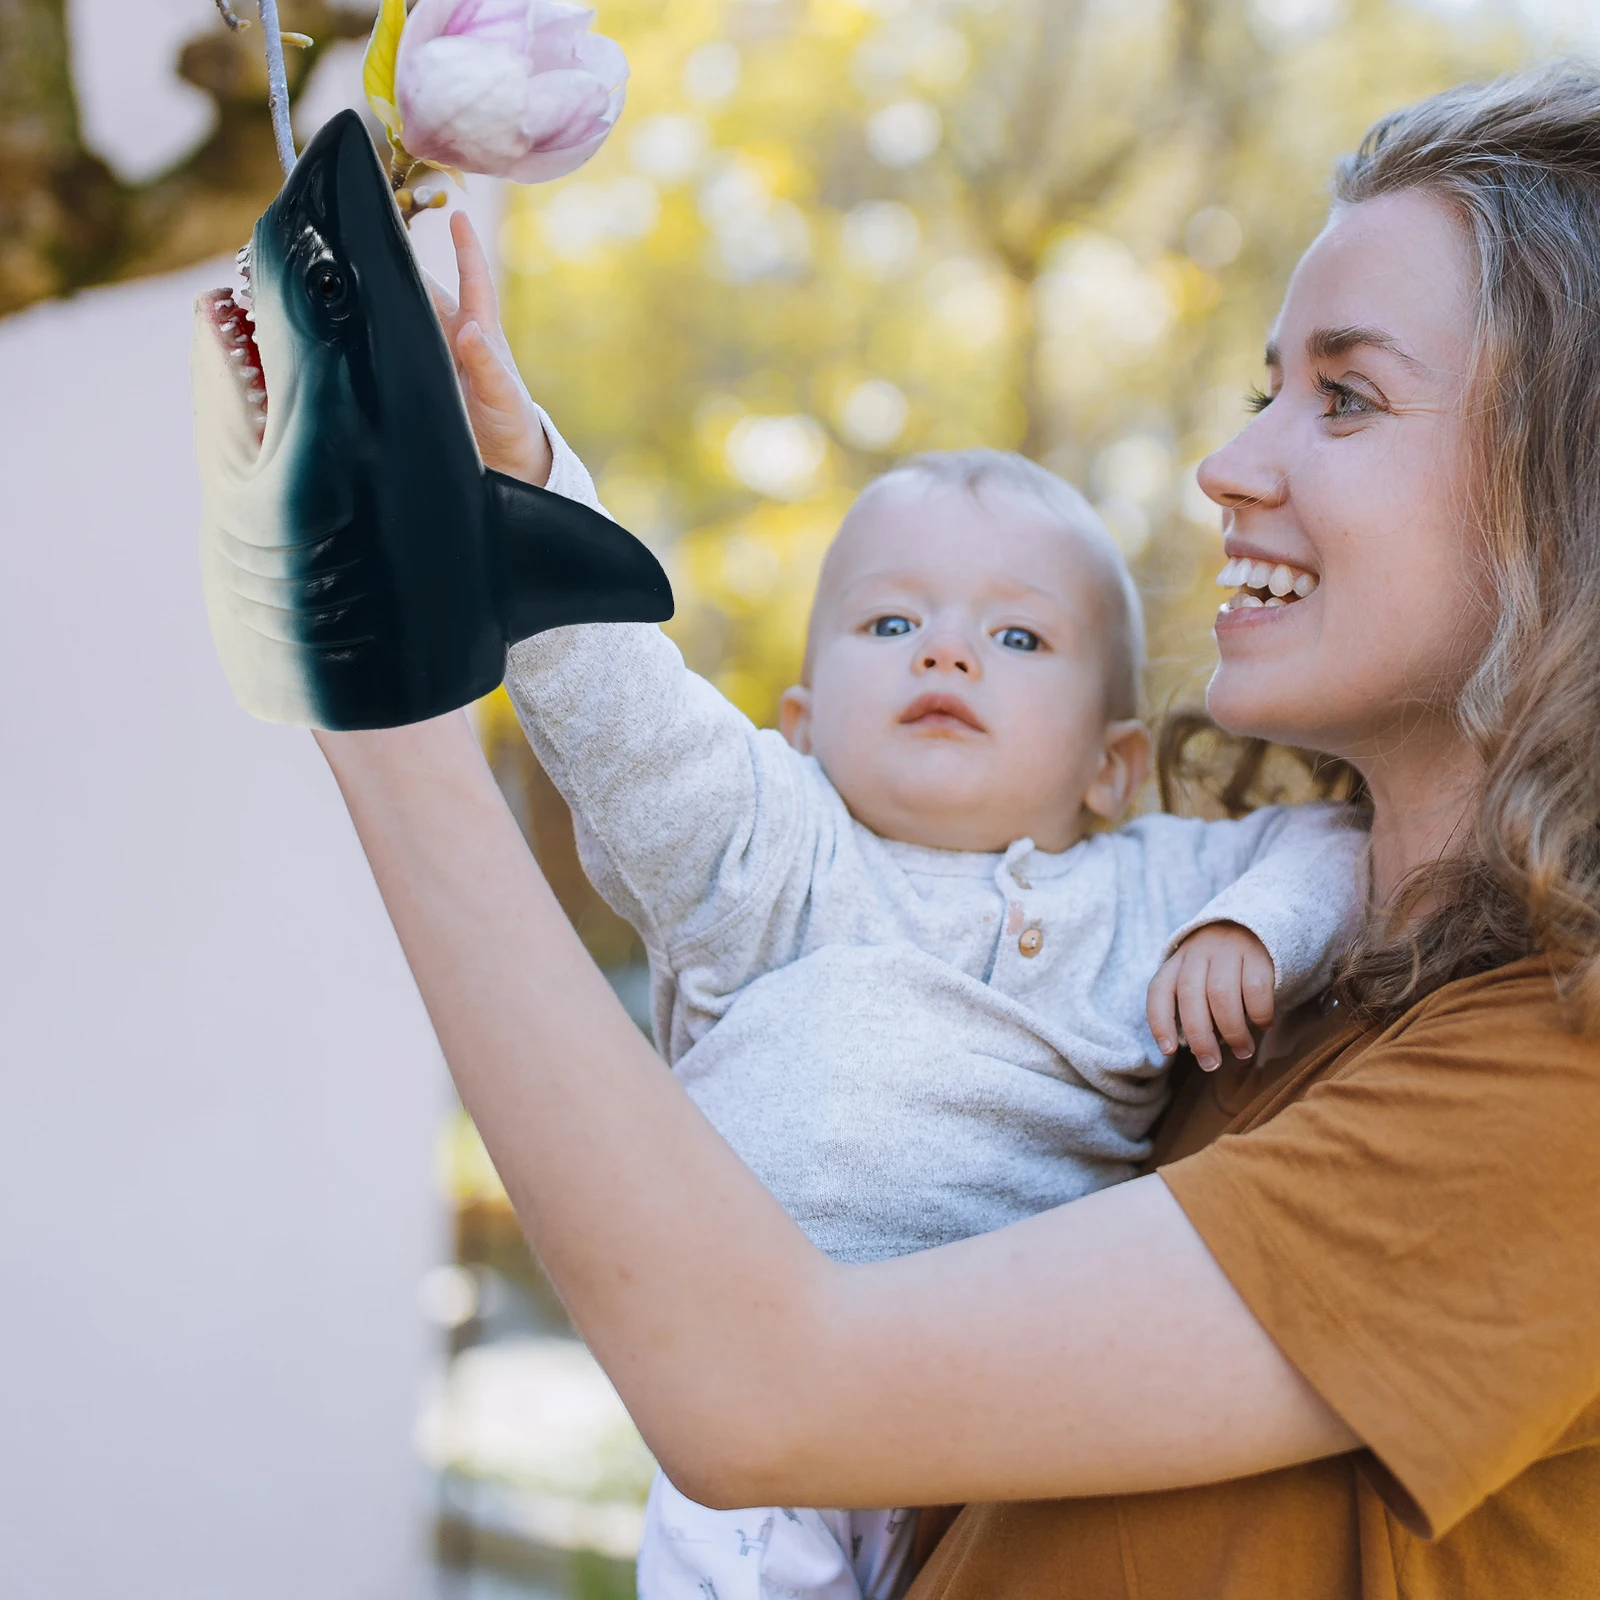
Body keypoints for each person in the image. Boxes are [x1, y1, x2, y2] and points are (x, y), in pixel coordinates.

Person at [314, 65, 1600, 1598]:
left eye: (1348, 396)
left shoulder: (1560, 1094)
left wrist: (376, 692)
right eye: (1265, 392)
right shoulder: (1249, 1009)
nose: (1231, 466)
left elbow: (764, 1395)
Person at [456, 352, 1361, 1591]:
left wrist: (1253, 926)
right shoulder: (767, 852)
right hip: (757, 1443)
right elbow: (622, 701)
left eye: (1016, 634)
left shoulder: (1153, 888)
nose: (946, 652)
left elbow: (1336, 843)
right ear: (800, 723)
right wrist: (528, 475)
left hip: (1002, 1440)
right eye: (892, 624)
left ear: (1110, 767)